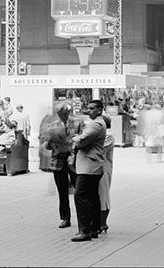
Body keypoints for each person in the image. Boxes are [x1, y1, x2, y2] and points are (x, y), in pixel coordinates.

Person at [70, 98, 107, 243]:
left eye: (92, 108)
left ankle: (84, 230)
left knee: (80, 195)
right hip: (91, 165)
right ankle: (94, 228)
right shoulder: (96, 123)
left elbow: (81, 140)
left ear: (99, 110)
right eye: (88, 108)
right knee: (92, 197)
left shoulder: (97, 124)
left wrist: (74, 137)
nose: (89, 111)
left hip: (89, 166)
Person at [41, 101, 81, 229]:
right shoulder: (52, 126)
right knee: (62, 191)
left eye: (64, 113)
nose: (62, 116)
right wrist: (51, 142)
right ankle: (65, 218)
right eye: (60, 114)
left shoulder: (78, 123)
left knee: (79, 190)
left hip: (74, 160)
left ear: (69, 112)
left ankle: (82, 217)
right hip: (58, 161)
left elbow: (83, 139)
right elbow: (46, 145)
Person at [98, 106, 115, 235]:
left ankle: (103, 222)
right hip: (95, 167)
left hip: (103, 168)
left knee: (103, 194)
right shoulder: (101, 135)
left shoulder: (108, 136)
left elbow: (98, 149)